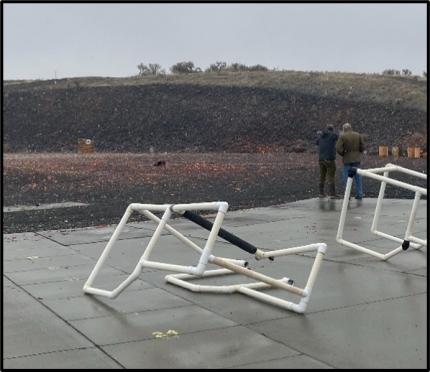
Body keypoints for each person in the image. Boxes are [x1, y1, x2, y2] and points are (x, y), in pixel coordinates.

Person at [336, 122, 365, 200]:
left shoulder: (342, 136)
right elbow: (362, 146)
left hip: (347, 159)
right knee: (358, 177)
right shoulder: (358, 135)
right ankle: (359, 194)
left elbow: (338, 148)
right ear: (350, 127)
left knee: (346, 177)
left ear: (344, 129)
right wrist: (358, 152)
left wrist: (343, 153)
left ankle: (347, 194)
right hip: (356, 159)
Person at [316, 125, 338, 198]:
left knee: (322, 176)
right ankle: (332, 194)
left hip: (321, 159)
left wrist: (320, 135)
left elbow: (316, 142)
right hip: (329, 159)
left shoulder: (321, 136)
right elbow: (337, 137)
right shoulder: (332, 135)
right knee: (331, 176)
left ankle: (321, 193)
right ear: (332, 130)